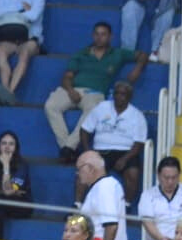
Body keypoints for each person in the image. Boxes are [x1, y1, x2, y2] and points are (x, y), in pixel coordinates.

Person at [45, 22, 148, 162]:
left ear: (110, 37)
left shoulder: (117, 54)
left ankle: (68, 148)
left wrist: (138, 69)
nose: (99, 38)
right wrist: (70, 91)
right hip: (72, 89)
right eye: (97, 34)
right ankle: (66, 147)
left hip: (95, 93)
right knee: (50, 105)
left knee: (94, 108)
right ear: (93, 35)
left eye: (103, 34)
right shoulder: (81, 54)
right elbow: (67, 77)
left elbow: (142, 55)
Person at [77, 80, 146, 206]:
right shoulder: (101, 107)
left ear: (129, 97)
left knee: (133, 173)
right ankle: (77, 204)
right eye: (117, 93)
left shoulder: (137, 115)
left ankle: (125, 205)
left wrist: (124, 159)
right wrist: (88, 151)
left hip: (125, 152)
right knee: (86, 166)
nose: (119, 97)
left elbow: (139, 144)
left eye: (123, 94)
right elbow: (85, 129)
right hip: (100, 150)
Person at [0, 0, 45, 104]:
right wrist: (22, 10)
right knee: (0, 50)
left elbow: (34, 16)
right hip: (9, 38)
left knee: (24, 53)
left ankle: (10, 92)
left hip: (30, 38)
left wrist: (9, 13)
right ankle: (5, 90)